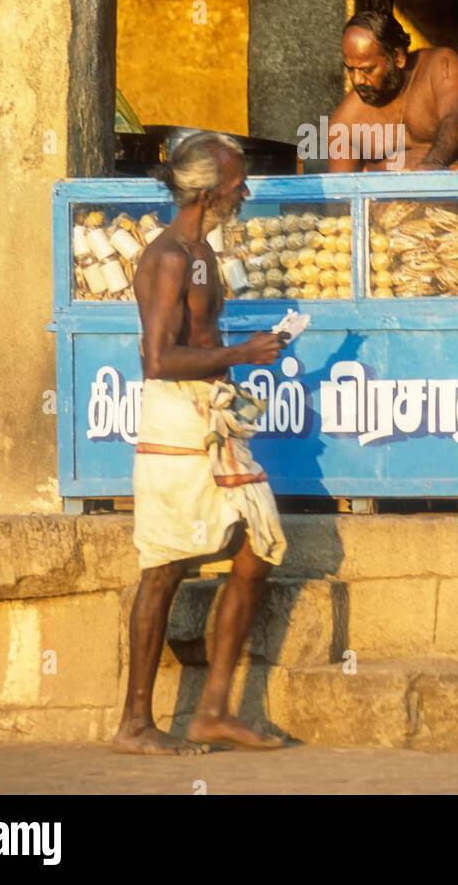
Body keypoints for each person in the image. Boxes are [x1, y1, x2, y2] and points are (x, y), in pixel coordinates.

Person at [113, 132, 288, 754]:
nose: (246, 190)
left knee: (258, 544)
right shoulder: (167, 256)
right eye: (239, 181)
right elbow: (158, 358)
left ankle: (212, 710)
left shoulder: (198, 252)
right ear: (210, 190)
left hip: (209, 417)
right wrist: (244, 351)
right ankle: (135, 723)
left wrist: (241, 354)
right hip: (177, 421)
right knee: (163, 568)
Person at [327, 11, 458, 171]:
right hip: (386, 196)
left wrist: (431, 166)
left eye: (368, 70)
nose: (357, 80)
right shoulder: (344, 123)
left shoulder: (441, 65)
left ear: (398, 57)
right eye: (350, 69)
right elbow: (341, 191)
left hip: (450, 194)